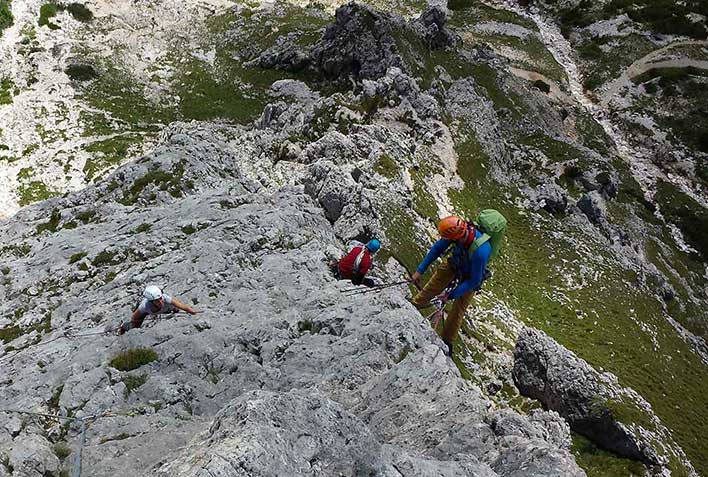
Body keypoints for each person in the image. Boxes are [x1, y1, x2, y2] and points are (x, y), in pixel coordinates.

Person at [410, 216, 492, 358]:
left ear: (458, 237)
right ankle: (415, 305)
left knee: (458, 310)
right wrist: (419, 271)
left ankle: (447, 341)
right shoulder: (455, 234)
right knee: (436, 280)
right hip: (456, 262)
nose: (448, 241)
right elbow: (437, 249)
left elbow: (474, 280)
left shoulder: (481, 251)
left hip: (470, 276)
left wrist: (451, 294)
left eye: (451, 240)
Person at [118, 285, 198, 335]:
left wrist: (191, 311)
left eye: (160, 298)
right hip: (148, 312)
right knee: (134, 326)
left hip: (166, 309)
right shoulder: (144, 306)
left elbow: (181, 305)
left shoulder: (165, 298)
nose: (160, 301)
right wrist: (137, 322)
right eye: (157, 300)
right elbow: (134, 317)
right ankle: (123, 327)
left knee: (175, 308)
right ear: (151, 301)